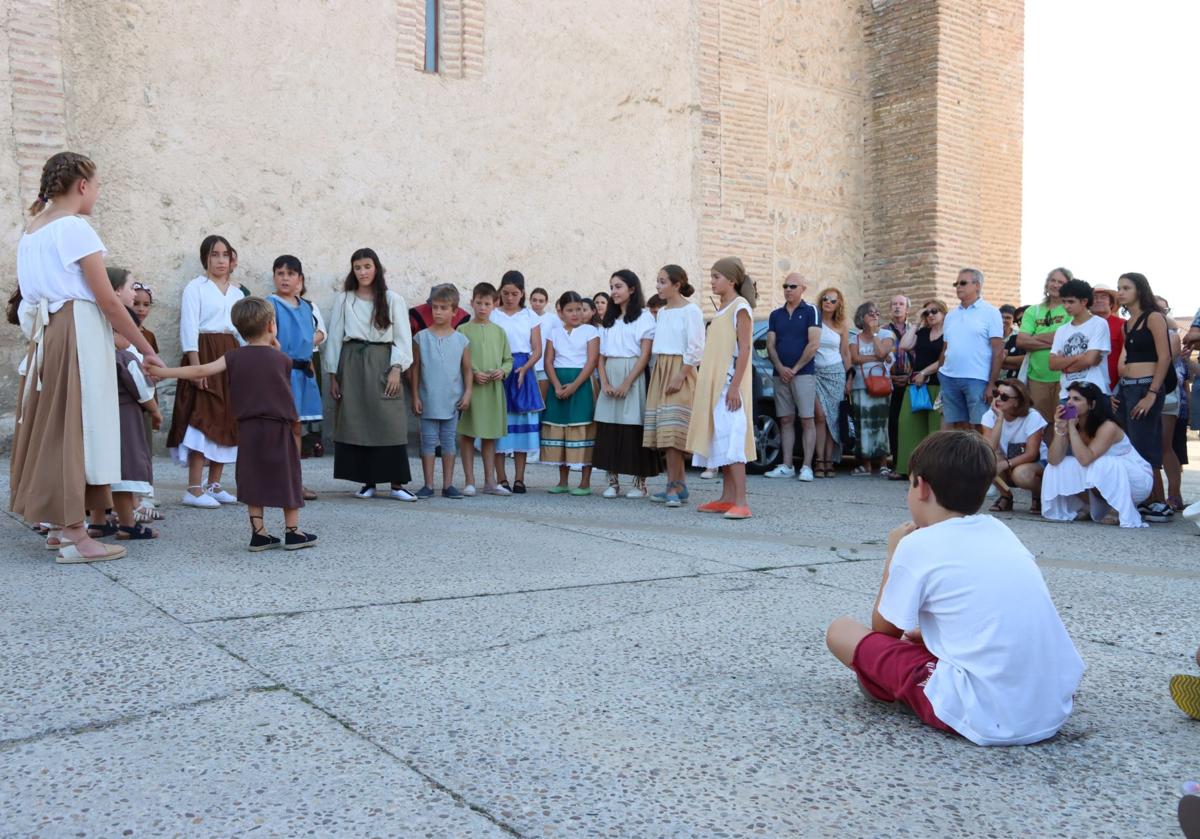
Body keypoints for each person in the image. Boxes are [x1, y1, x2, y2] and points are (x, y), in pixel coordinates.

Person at [824, 430, 1085, 746]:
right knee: (918, 638)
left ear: (921, 487)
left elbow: (885, 629)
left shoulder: (917, 544)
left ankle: (886, 685)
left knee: (841, 631)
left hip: (987, 715)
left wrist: (893, 554)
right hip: (1051, 706)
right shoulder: (1000, 531)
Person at [11, 152, 164, 563]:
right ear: (82, 185)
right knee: (81, 428)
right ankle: (78, 535)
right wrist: (145, 348)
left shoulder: (31, 231)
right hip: (77, 332)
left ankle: (62, 529)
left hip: (49, 335)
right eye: (96, 186)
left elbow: (28, 296)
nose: (97, 194)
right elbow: (110, 304)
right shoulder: (75, 228)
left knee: (57, 426)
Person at [148, 297, 317, 551]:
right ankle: (292, 531)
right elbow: (285, 397)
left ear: (239, 329)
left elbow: (200, 371)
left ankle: (259, 533)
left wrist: (163, 373)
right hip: (278, 427)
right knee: (288, 476)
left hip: (248, 428)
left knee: (252, 476)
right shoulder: (281, 360)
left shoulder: (233, 356)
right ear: (272, 325)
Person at [324, 248, 416, 501]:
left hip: (383, 361)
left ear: (376, 268)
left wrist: (397, 367)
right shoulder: (345, 299)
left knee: (389, 420)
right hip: (352, 362)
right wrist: (333, 374)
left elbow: (402, 338)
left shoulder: (393, 299)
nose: (363, 272)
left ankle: (397, 484)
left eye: (367, 266)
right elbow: (334, 337)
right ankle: (368, 481)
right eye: (357, 267)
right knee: (358, 419)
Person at [166, 235, 244, 508]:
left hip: (229, 355)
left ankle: (215, 484)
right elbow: (189, 328)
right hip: (204, 351)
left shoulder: (237, 293)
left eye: (225, 254)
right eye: (214, 255)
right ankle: (194, 488)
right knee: (202, 417)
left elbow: (241, 330)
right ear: (205, 259)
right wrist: (196, 367)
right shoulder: (196, 288)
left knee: (225, 418)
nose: (220, 260)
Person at [687, 258, 756, 519]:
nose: (712, 281)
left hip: (729, 385)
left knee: (733, 441)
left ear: (732, 280)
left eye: (717, 276)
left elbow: (745, 348)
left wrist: (735, 386)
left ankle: (741, 501)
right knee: (721, 440)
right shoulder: (723, 308)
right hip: (715, 385)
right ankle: (726, 498)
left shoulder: (740, 307)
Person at [1042, 382, 1152, 527]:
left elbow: (1085, 459)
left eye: (1076, 399)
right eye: (1068, 398)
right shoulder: (1073, 423)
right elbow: (1054, 460)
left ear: (1092, 404)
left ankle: (1117, 510)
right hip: (1103, 474)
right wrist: (1061, 428)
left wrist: (1072, 430)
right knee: (1059, 466)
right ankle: (1087, 506)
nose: (1069, 403)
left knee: (1104, 462)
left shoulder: (1108, 426)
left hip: (1136, 480)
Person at [594, 269, 661, 498]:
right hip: (610, 371)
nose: (614, 291)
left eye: (619, 286)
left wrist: (627, 383)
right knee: (609, 427)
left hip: (632, 373)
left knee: (632, 427)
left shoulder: (644, 317)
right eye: (612, 287)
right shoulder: (608, 320)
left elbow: (644, 355)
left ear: (632, 289)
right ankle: (612, 481)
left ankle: (639, 483)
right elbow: (600, 356)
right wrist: (604, 382)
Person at [1114, 272, 1174, 522]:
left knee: (1145, 444)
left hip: (1146, 387)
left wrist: (1152, 393)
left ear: (1139, 289)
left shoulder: (1154, 317)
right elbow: (1124, 359)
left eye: (1126, 287)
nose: (1120, 292)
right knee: (1130, 445)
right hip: (1127, 387)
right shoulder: (1128, 323)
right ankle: (1146, 499)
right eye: (1119, 288)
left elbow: (1165, 356)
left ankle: (1160, 502)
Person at [108, 267, 162, 540]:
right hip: (127, 417)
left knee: (108, 471)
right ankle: (128, 523)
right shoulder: (124, 357)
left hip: (104, 418)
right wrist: (154, 410)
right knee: (126, 470)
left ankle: (98, 521)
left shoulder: (99, 353)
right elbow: (141, 388)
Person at [644, 264, 704, 506]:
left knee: (674, 432)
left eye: (662, 281)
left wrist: (681, 374)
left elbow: (697, 346)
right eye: (657, 281)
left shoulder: (691, 311)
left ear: (677, 285)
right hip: (662, 369)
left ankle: (674, 485)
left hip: (681, 370)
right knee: (666, 432)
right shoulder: (664, 312)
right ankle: (677, 485)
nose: (658, 286)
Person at [268, 255, 324, 501]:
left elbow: (310, 341)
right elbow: (269, 341)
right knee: (279, 427)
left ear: (300, 279)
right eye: (280, 273)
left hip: (303, 374)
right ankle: (275, 482)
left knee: (297, 428)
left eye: (290, 274)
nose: (285, 278)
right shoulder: (270, 305)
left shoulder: (306, 307)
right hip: (282, 373)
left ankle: (294, 482)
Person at [411, 284, 472, 499]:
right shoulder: (421, 338)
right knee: (427, 441)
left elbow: (467, 370)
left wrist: (467, 394)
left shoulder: (461, 340)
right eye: (435, 307)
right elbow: (415, 368)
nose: (438, 312)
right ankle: (428, 484)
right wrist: (415, 395)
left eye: (444, 308)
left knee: (448, 441)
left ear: (454, 311)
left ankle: (448, 485)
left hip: (452, 401)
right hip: (428, 399)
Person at [490, 270, 544, 493]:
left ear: (522, 293)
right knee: (499, 426)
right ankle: (501, 478)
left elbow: (537, 349)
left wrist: (526, 368)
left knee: (521, 426)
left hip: (523, 369)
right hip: (499, 369)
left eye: (514, 293)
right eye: (505, 293)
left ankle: (520, 478)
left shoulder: (530, 316)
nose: (510, 298)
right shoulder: (493, 315)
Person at [457, 282, 513, 496]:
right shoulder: (462, 330)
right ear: (472, 303)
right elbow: (458, 360)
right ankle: (469, 481)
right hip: (472, 389)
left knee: (490, 436)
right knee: (468, 434)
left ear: (495, 305)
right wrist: (473, 371)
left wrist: (502, 371)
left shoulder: (499, 332)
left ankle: (490, 481)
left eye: (487, 303)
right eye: (478, 303)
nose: (482, 307)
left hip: (493, 390)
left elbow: (508, 359)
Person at [541, 291, 600, 495]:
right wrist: (556, 386)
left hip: (581, 384)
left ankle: (585, 482)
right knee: (561, 429)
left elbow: (592, 361)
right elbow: (548, 361)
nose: (575, 314)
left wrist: (574, 386)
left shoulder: (590, 331)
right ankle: (562, 481)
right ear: (561, 312)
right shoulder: (554, 333)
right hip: (558, 382)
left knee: (582, 429)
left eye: (579, 309)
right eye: (570, 310)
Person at [764, 273, 821, 481]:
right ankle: (787, 465)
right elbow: (770, 343)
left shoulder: (811, 311)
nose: (788, 289)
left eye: (793, 286)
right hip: (781, 375)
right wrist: (780, 367)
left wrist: (794, 369)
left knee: (807, 419)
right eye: (785, 286)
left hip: (803, 374)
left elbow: (813, 343)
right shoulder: (775, 315)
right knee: (785, 419)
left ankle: (806, 467)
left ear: (802, 289)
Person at [940, 268, 1004, 431]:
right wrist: (941, 372)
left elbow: (998, 351)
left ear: (977, 285)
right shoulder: (951, 315)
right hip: (950, 377)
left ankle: (980, 457)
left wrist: (991, 384)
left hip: (977, 378)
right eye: (956, 284)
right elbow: (946, 348)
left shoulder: (991, 312)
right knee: (958, 426)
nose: (958, 287)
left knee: (980, 426)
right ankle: (963, 457)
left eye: (962, 283)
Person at [894, 300, 947, 478]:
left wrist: (924, 372)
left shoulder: (949, 334)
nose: (931, 315)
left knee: (934, 429)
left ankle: (932, 471)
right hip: (918, 385)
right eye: (927, 312)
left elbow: (944, 359)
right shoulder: (922, 332)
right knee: (908, 424)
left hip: (937, 384)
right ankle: (907, 468)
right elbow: (904, 345)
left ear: (944, 313)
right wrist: (917, 321)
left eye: (935, 311)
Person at [981, 379, 1045, 514]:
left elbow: (1032, 453)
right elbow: (989, 449)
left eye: (1004, 397)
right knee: (987, 460)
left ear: (1017, 402)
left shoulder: (1032, 416)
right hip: (1007, 460)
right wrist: (999, 419)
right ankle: (1006, 496)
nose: (998, 399)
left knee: (1021, 474)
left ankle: (1039, 495)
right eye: (996, 393)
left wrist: (1006, 464)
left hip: (1036, 463)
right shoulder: (989, 416)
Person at [848, 302, 896, 476]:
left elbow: (883, 353)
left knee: (881, 424)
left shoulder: (886, 334)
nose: (875, 316)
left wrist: (875, 334)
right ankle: (866, 465)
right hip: (861, 386)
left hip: (881, 385)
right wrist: (876, 357)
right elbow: (855, 358)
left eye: (877, 313)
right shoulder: (854, 338)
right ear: (862, 317)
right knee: (863, 425)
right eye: (870, 313)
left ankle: (883, 463)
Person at [1017, 268, 1070, 423]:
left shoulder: (1071, 309)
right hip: (1037, 378)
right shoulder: (1033, 311)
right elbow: (1021, 341)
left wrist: (1034, 337)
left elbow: (1067, 339)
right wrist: (1054, 339)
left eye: (1060, 282)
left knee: (1065, 422)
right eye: (1052, 280)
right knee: (1040, 424)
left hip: (1064, 377)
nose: (1055, 284)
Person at [1048, 279, 1110, 402]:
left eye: (1071, 301)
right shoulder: (1061, 330)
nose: (1066, 306)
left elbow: (1090, 359)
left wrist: (1065, 365)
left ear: (1084, 301)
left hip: (1094, 393)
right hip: (1067, 395)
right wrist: (1079, 357)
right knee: (1066, 422)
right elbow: (1052, 364)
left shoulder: (1099, 324)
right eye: (1064, 301)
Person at [812, 287, 851, 478]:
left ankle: (829, 461)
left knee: (832, 420)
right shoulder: (814, 321)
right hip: (816, 374)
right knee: (819, 416)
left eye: (833, 300)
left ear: (838, 305)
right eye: (825, 298)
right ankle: (819, 460)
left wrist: (849, 378)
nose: (828, 302)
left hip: (836, 373)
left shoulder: (842, 325)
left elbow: (845, 353)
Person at [883, 294, 913, 468]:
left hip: (910, 381)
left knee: (908, 422)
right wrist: (890, 376)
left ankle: (910, 460)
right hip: (889, 382)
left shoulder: (915, 330)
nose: (897, 307)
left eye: (901, 304)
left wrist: (909, 376)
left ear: (907, 309)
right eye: (894, 304)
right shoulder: (883, 330)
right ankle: (896, 461)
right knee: (893, 422)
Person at [1090, 285, 1125, 390]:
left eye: (1103, 297)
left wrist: (1119, 389)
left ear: (1111, 303)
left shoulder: (1123, 325)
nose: (1098, 300)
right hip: (1086, 389)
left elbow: (1129, 359)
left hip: (1115, 389)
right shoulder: (1080, 326)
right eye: (1095, 297)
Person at [529, 286, 557, 403]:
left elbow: (557, 342)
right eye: (534, 300)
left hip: (544, 366)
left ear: (546, 302)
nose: (537, 303)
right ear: (530, 300)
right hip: (527, 365)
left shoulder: (553, 319)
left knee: (542, 400)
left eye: (541, 301)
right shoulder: (524, 316)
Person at [999, 304, 1022, 379]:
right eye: (1001, 317)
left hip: (1011, 379)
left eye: (1008, 318)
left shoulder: (1018, 336)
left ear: (1013, 320)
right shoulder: (991, 335)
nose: (1004, 320)